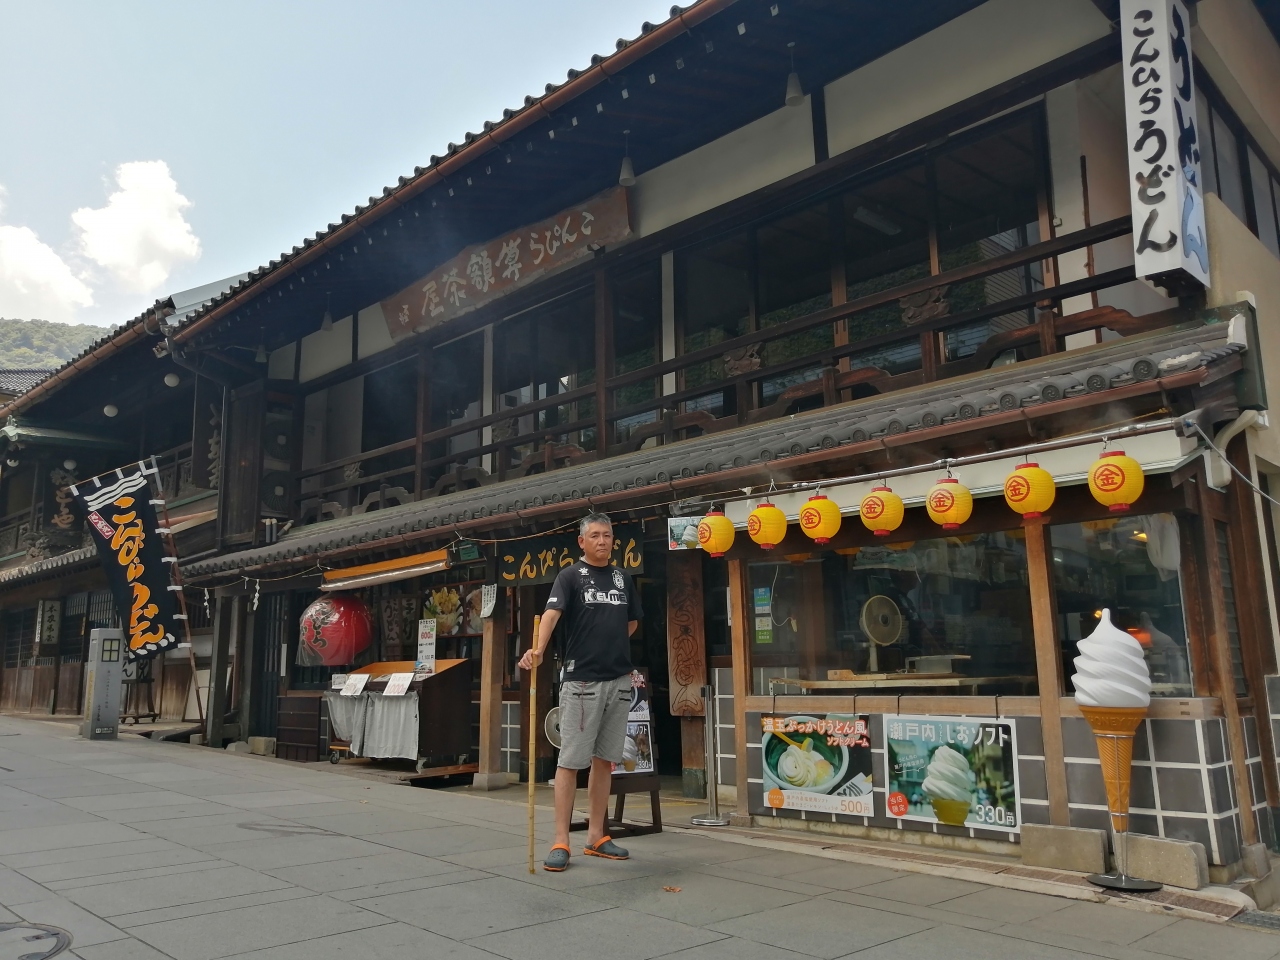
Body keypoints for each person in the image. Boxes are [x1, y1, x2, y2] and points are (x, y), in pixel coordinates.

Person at [517, 512, 641, 872]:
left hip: (619, 679)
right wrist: (538, 650)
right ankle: (561, 840)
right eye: (596, 535)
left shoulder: (622, 578)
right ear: (582, 541)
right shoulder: (570, 576)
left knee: (605, 760)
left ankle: (596, 835)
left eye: (608, 535)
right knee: (571, 761)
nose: (603, 541)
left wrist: (609, 643)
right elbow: (552, 614)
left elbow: (632, 621)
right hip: (582, 680)